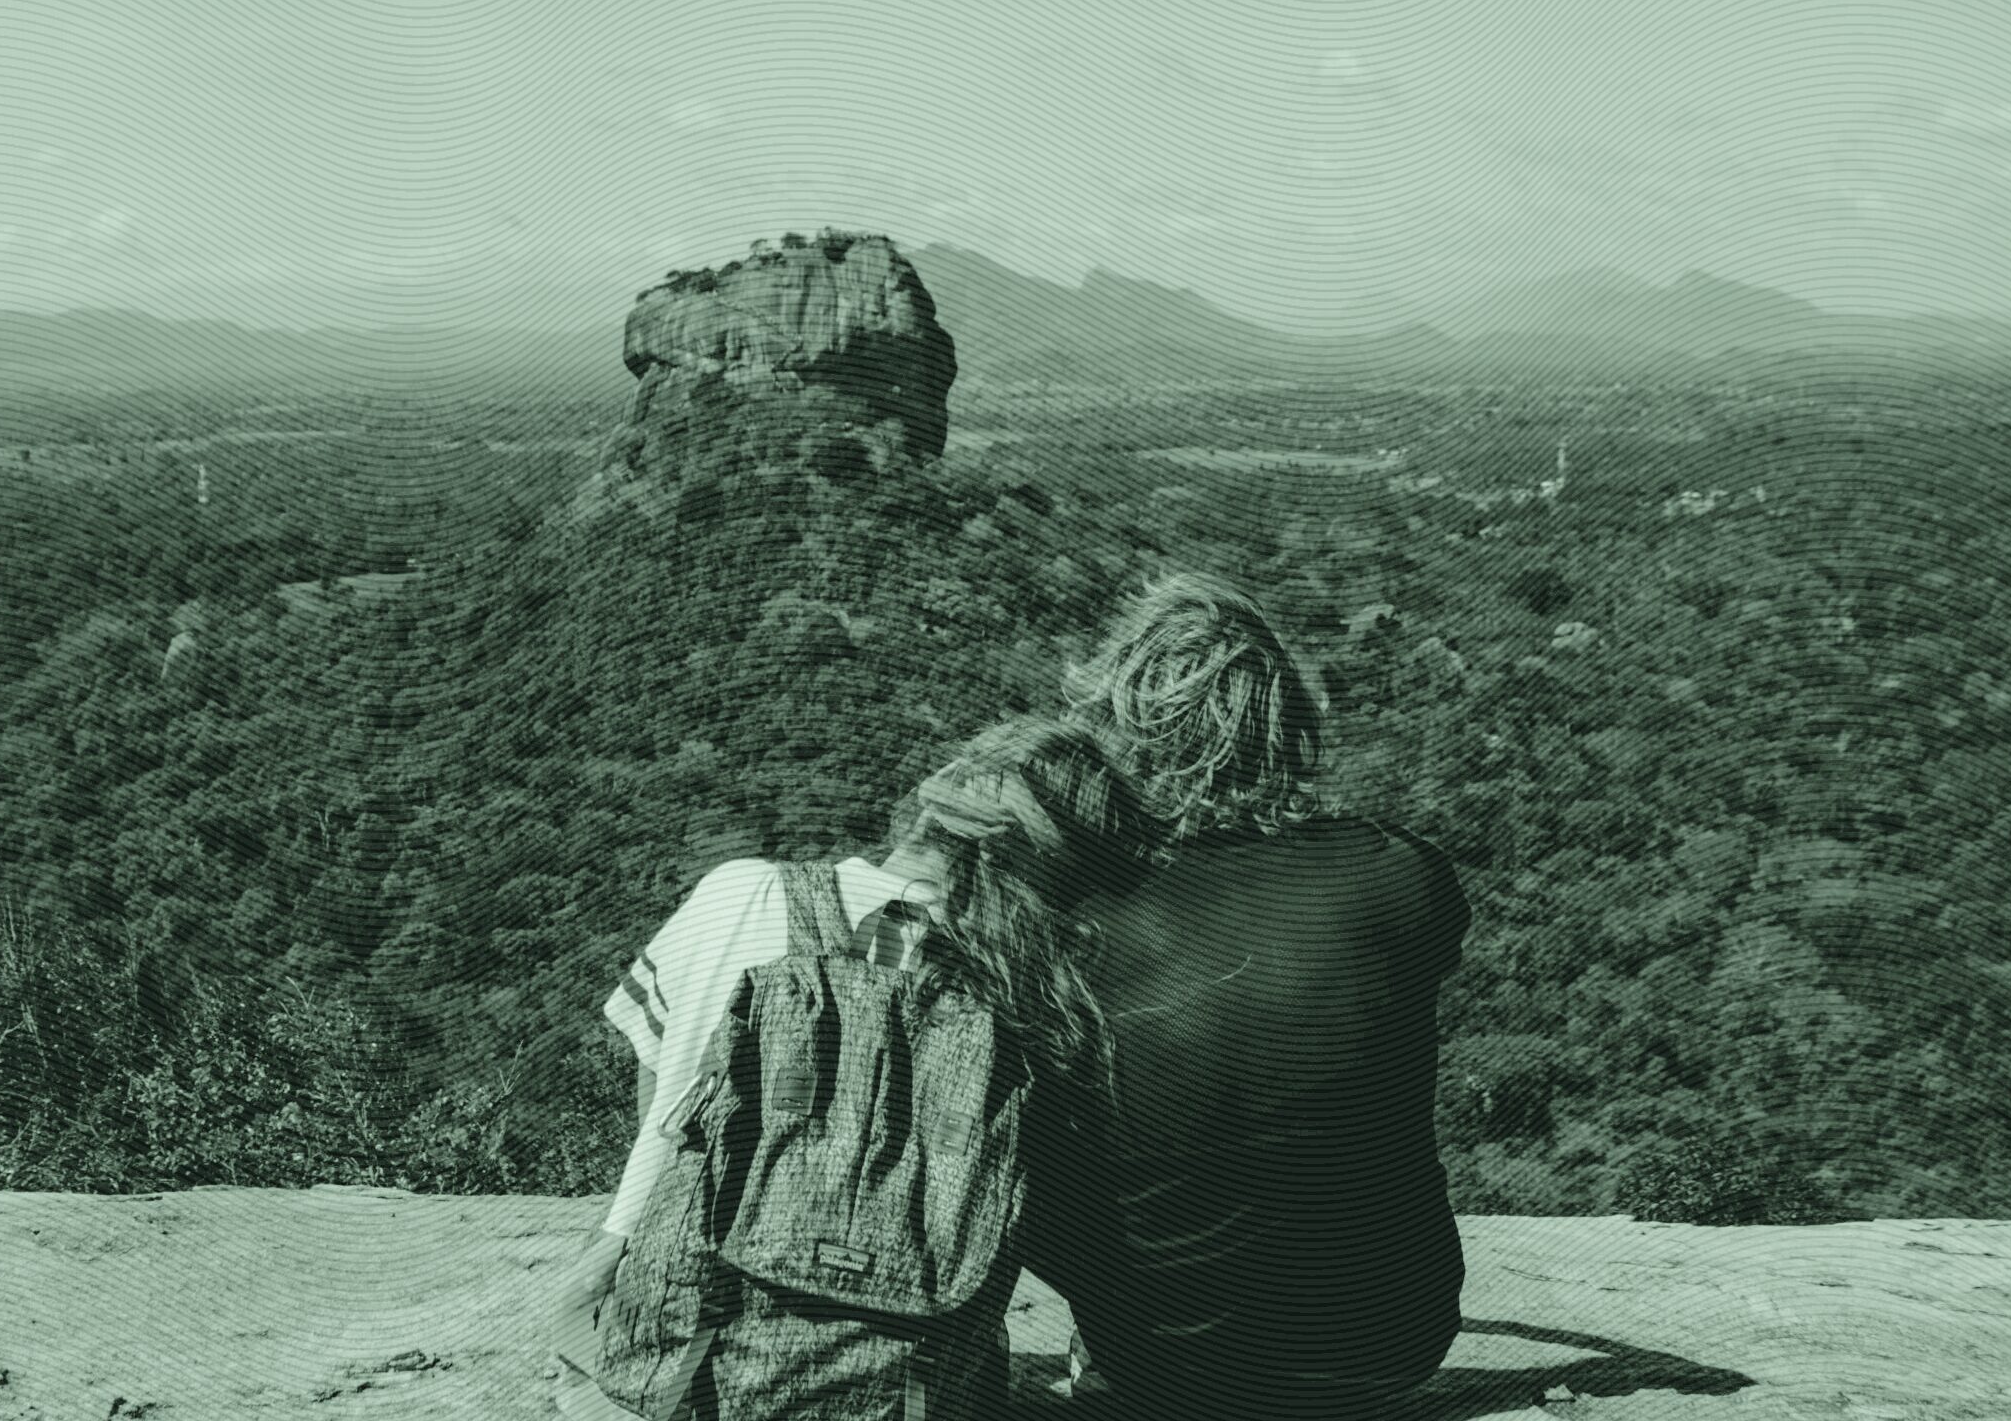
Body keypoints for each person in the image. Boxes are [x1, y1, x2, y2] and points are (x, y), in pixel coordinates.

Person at [547, 714, 1158, 1419]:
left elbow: (662, 1098)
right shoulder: (1032, 1003)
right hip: (908, 1382)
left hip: (672, 1359)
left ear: (931, 806)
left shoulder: (740, 891)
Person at [1027, 571, 1474, 1421]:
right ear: (1289, 721)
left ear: (1116, 729)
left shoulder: (1070, 910)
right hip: (1393, 1342)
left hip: (1161, 1363)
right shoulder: (1405, 875)